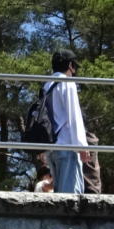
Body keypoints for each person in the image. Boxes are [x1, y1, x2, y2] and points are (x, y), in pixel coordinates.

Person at [45, 51, 88, 195]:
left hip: (52, 147)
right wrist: (81, 146)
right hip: (66, 145)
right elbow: (74, 115)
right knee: (71, 198)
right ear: (70, 65)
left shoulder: (47, 84)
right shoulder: (67, 83)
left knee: (58, 197)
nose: (74, 72)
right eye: (74, 67)